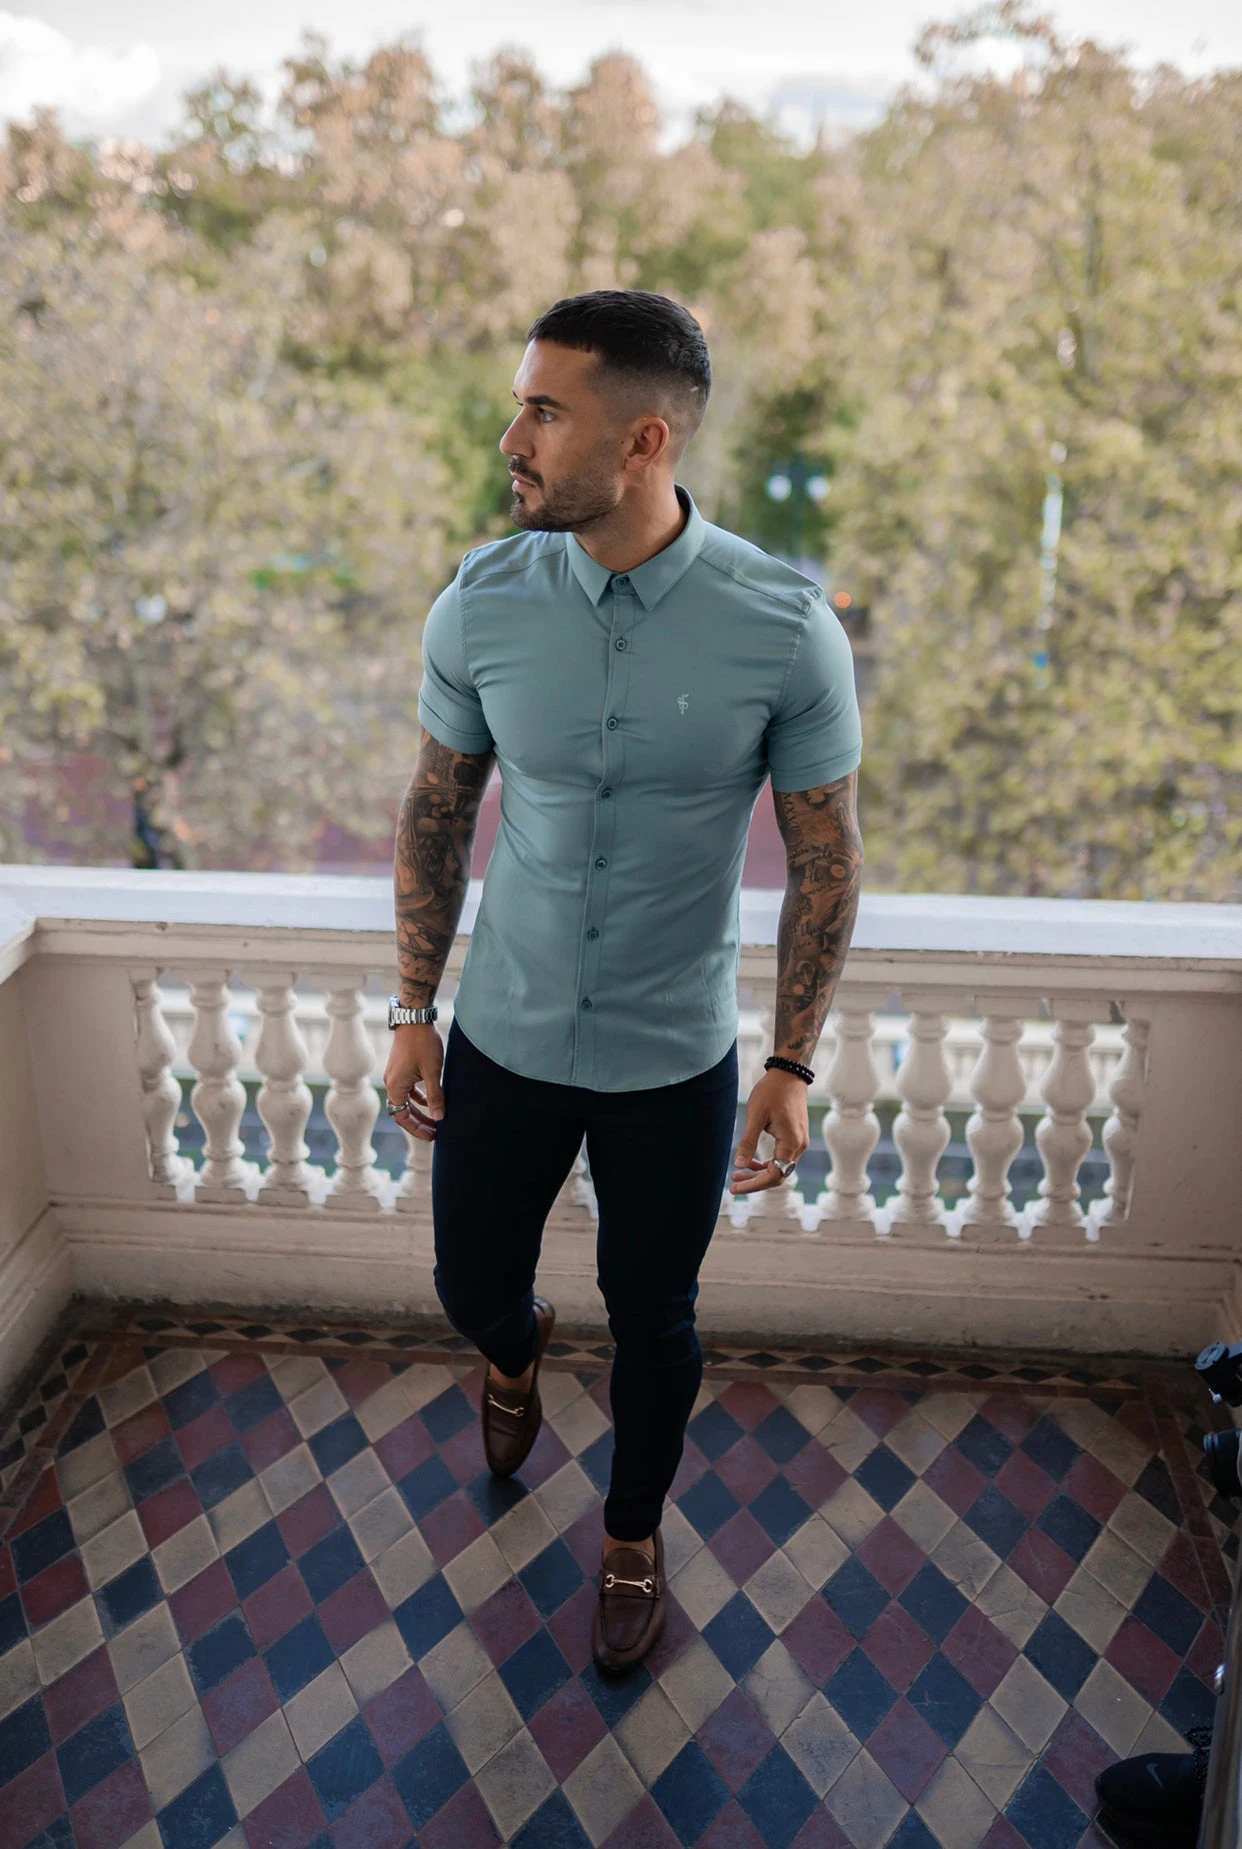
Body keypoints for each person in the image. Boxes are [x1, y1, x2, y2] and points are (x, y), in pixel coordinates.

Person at [383, 289, 863, 1675]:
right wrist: (413, 1012)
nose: (511, 440)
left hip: (671, 1060)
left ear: (644, 439)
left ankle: (632, 1539)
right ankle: (514, 1345)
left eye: (544, 412)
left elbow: (826, 859)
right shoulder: (481, 600)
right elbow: (434, 816)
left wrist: (791, 1061)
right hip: (505, 1037)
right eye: (518, 406)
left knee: (657, 1320)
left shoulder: (784, 627)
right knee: (468, 1283)